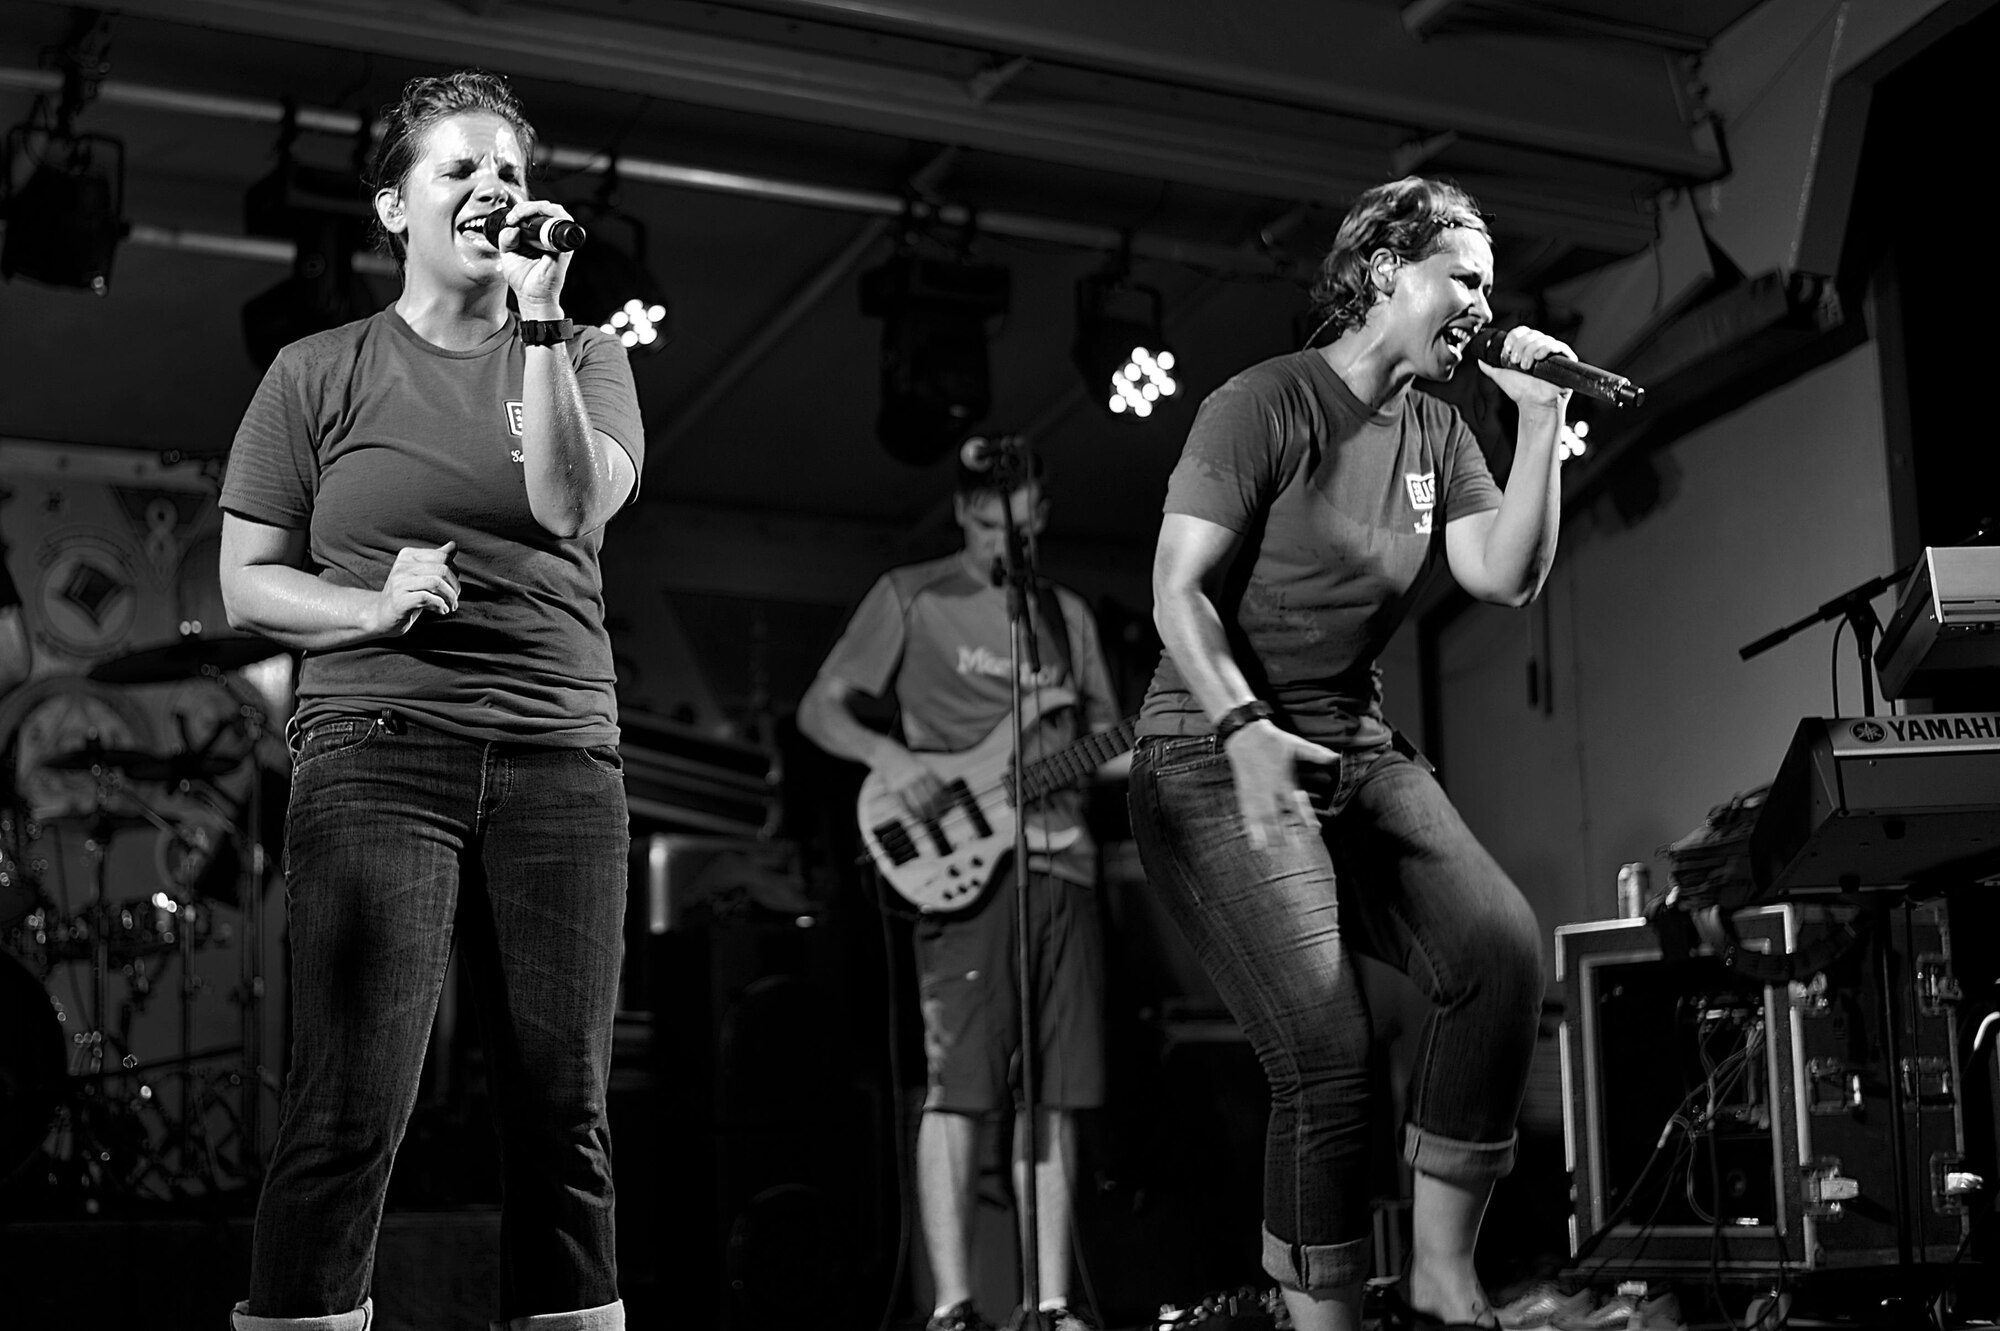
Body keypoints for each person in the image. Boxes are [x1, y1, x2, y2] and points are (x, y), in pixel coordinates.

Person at [217, 70, 643, 1331]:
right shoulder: (316, 371)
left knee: (562, 1111)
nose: (490, 191)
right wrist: (368, 606)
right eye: (458, 170)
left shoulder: (584, 354)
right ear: (393, 206)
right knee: (351, 1104)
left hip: (560, 757)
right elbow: (245, 581)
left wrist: (545, 322)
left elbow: (574, 507)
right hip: (375, 745)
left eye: (508, 173)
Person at [1127, 176, 1564, 1331]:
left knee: (1499, 948)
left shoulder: (1438, 424)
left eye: (1486, 285)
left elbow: (1504, 577)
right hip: (1208, 748)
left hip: (1348, 742)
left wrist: (1540, 425)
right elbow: (1175, 592)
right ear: (1382, 271)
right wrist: (1241, 725)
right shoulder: (1260, 402)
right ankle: (1321, 1319)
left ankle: (1438, 1276)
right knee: (1326, 1047)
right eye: (1462, 278)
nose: (1481, 302)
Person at [797, 446, 1121, 1331]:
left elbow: (1106, 741)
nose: (994, 543)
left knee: (1054, 1091)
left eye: (1009, 527)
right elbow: (821, 708)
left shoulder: (1067, 618)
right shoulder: (912, 594)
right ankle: (953, 1307)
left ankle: (1050, 1302)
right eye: (980, 526)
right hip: (961, 867)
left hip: (1064, 865)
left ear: (1039, 517)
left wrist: (1177, 730)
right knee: (960, 1087)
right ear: (960, 515)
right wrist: (894, 758)